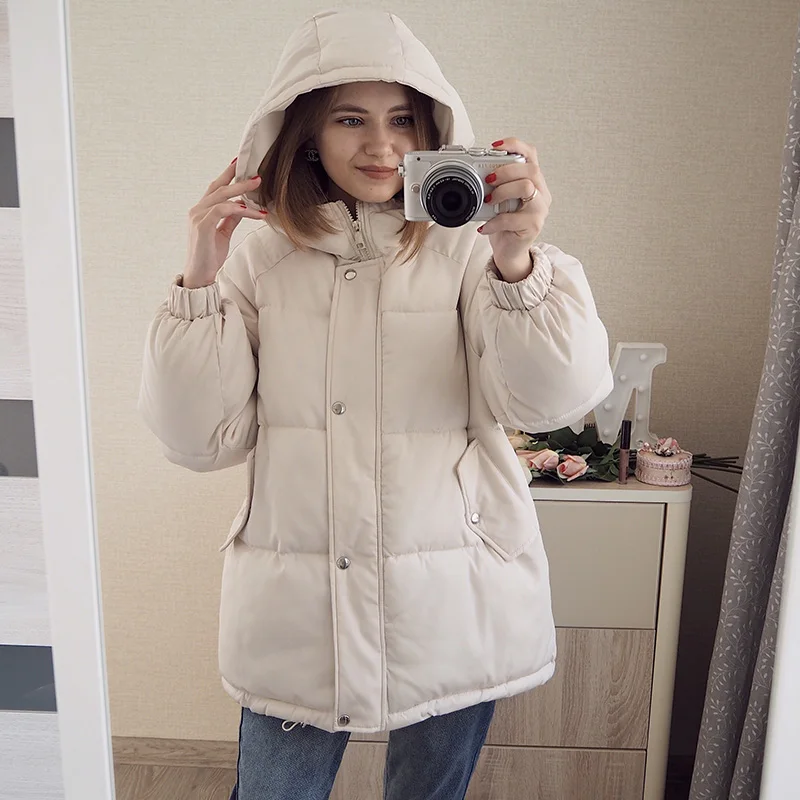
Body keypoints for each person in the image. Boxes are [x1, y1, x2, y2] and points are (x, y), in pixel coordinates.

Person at [139, 8, 613, 800]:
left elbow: (548, 400)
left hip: (455, 593)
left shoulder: (473, 251)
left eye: (402, 120)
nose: (381, 146)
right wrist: (199, 276)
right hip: (298, 607)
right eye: (349, 119)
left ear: (434, 130)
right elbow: (199, 439)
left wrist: (518, 262)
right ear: (306, 134)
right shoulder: (260, 260)